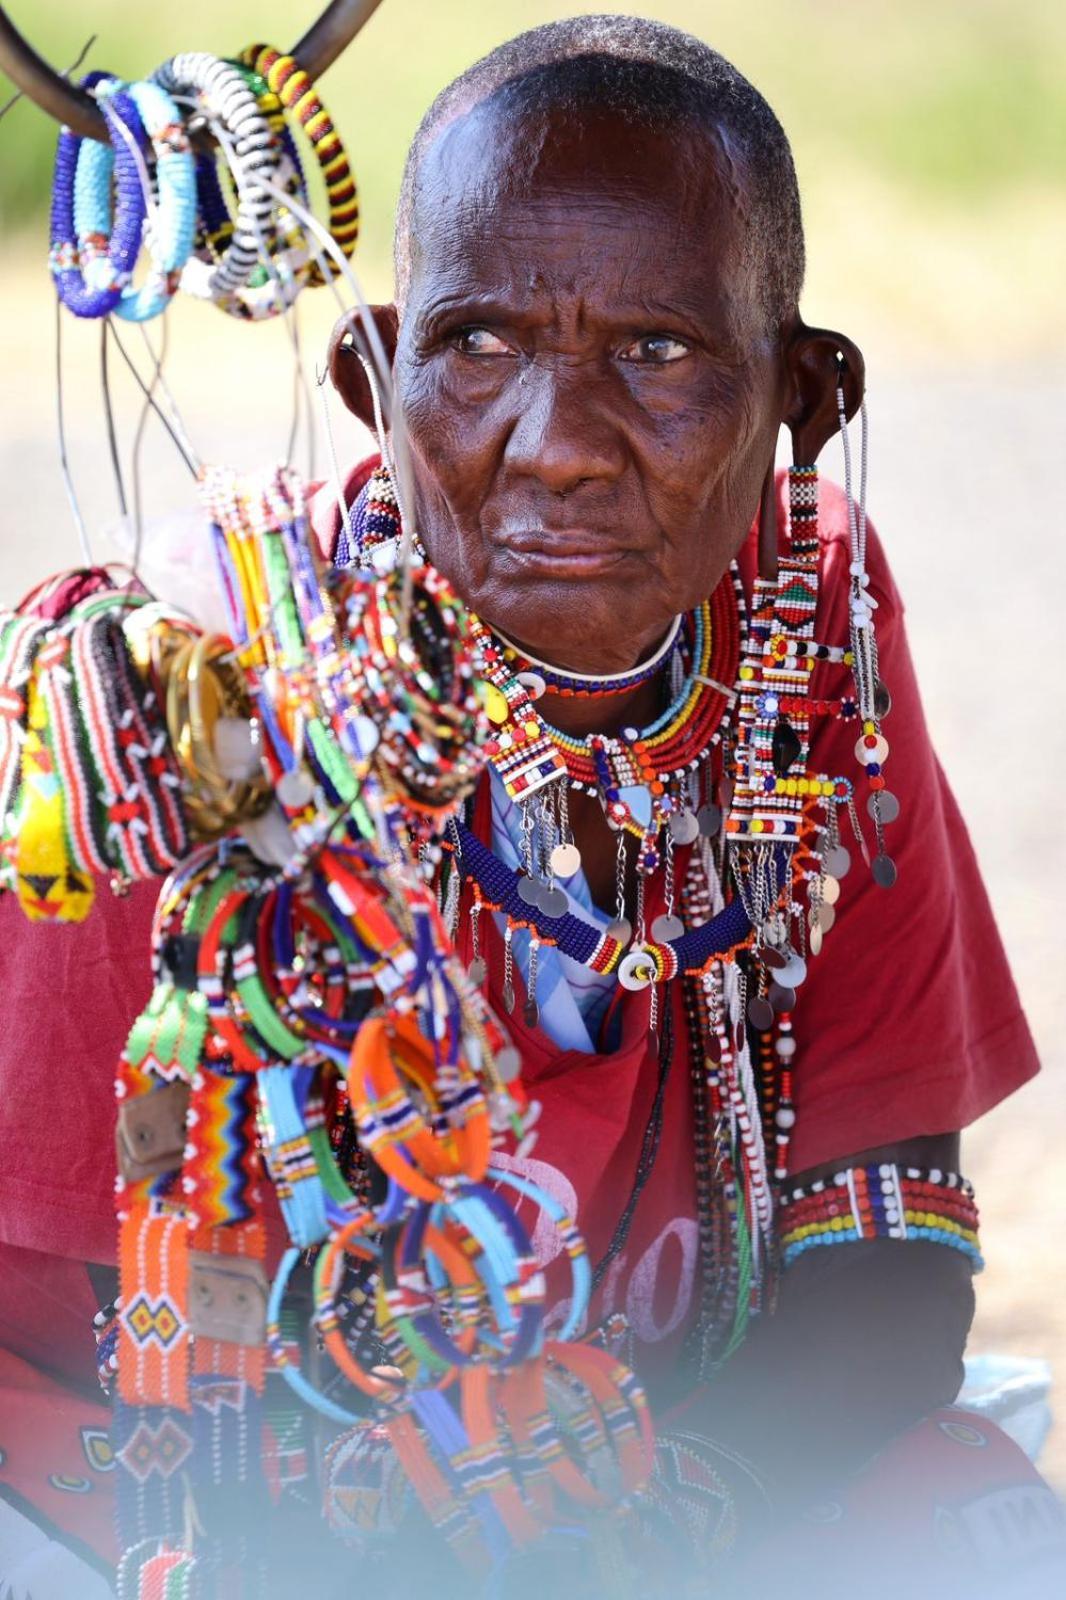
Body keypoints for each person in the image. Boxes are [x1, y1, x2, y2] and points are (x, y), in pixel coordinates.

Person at [0, 13, 1057, 1598]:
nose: (556, 450)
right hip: (169, 1489)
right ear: (372, 380)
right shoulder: (187, 685)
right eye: (479, 347)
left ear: (800, 400)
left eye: (659, 355)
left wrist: (658, 1508)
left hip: (658, 1460)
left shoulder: (807, 606)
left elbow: (891, 1239)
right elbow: (132, 1332)